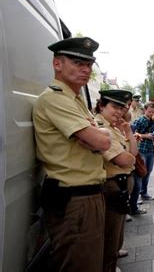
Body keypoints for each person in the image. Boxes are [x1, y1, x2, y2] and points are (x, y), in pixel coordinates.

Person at [32, 37, 112, 271]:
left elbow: (99, 139)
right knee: (80, 265)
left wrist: (96, 136)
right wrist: (96, 136)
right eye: (78, 63)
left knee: (89, 262)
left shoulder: (75, 99)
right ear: (57, 64)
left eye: (88, 64)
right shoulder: (55, 98)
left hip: (85, 196)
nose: (85, 69)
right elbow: (101, 141)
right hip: (74, 199)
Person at [94, 90, 136, 272]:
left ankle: (115, 253)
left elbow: (132, 152)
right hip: (111, 184)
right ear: (101, 106)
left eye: (121, 108)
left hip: (122, 182)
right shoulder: (98, 127)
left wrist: (127, 131)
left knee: (118, 226)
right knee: (110, 231)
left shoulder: (113, 127)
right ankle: (108, 266)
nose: (118, 112)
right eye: (114, 107)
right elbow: (124, 160)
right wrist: (131, 159)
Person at [133, 101, 154, 206]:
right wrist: (145, 136)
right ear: (145, 110)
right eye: (149, 112)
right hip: (141, 149)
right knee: (140, 173)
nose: (151, 114)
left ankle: (144, 193)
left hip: (151, 150)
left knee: (148, 172)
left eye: (153, 112)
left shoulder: (153, 121)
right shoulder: (139, 120)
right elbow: (133, 133)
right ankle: (136, 196)